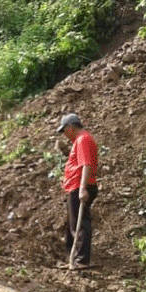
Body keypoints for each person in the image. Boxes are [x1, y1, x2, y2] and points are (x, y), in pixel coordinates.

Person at [57, 113, 98, 269]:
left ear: (71, 127)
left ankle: (81, 260)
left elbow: (86, 164)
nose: (64, 135)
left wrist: (82, 188)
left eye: (64, 130)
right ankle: (73, 259)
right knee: (73, 225)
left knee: (80, 225)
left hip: (80, 187)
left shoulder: (82, 140)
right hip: (75, 186)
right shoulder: (81, 140)